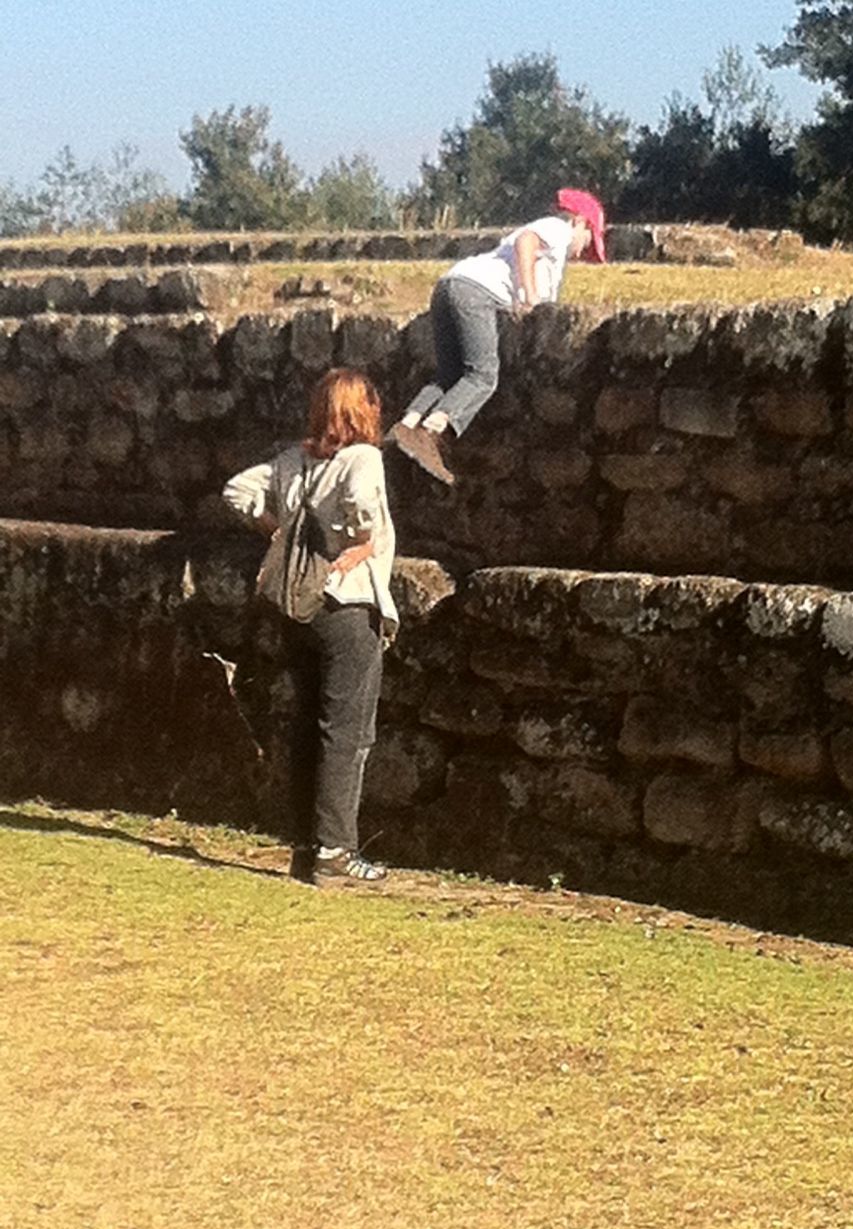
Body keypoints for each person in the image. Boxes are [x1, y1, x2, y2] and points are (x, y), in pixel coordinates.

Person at [222, 367, 398, 884]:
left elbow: (236, 489)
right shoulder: (362, 457)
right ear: (361, 411)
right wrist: (359, 538)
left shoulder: (292, 462)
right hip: (347, 604)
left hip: (299, 608)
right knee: (347, 732)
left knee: (309, 725)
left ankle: (307, 846)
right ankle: (335, 852)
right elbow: (362, 502)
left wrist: (276, 530)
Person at [390, 188, 607, 486]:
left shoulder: (553, 251)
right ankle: (431, 433)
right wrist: (530, 297)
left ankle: (405, 426)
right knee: (482, 375)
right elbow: (526, 242)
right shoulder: (559, 228)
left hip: (449, 285)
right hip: (474, 293)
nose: (584, 250)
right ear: (580, 222)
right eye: (589, 239)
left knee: (450, 375)